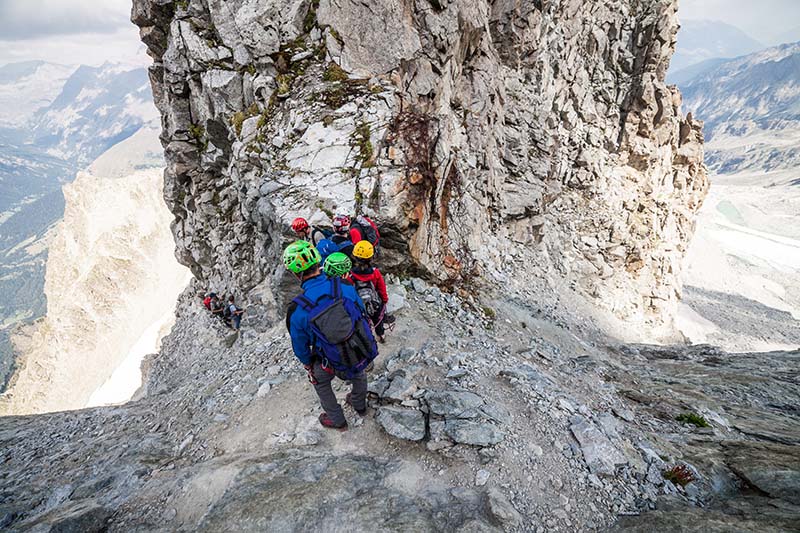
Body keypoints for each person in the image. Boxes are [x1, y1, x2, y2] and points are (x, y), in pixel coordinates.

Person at [283, 240, 378, 429]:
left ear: (295, 273)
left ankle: (337, 420)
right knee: (358, 373)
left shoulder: (297, 310)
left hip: (327, 359)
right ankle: (360, 405)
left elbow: (301, 347)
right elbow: (361, 313)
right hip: (355, 348)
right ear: (318, 261)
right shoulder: (344, 286)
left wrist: (308, 364)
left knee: (321, 383)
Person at [349, 241, 394, 343]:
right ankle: (380, 335)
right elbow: (381, 288)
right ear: (371, 257)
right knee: (378, 319)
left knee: (363, 322)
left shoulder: (351, 275)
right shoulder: (375, 273)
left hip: (359, 305)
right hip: (375, 303)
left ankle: (366, 338)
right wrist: (384, 300)